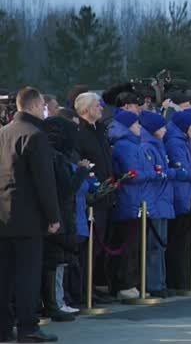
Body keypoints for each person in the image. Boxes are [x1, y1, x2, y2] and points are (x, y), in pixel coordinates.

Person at [0, 87, 61, 343]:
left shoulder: (2, 133)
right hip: (28, 218)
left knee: (3, 276)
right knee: (28, 275)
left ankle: (3, 328)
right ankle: (28, 327)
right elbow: (44, 182)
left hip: (3, 215)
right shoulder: (35, 135)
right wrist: (53, 216)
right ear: (36, 106)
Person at [108, 110, 161, 300]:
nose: (140, 127)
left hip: (140, 200)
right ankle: (126, 284)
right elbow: (132, 174)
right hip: (131, 201)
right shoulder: (125, 146)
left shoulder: (135, 145)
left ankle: (136, 282)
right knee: (129, 246)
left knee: (138, 246)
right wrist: (154, 175)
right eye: (137, 124)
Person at [42, 117, 91, 322]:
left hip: (58, 215)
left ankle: (57, 302)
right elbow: (67, 188)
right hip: (59, 216)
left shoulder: (52, 155)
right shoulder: (57, 158)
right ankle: (55, 303)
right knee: (55, 262)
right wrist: (82, 171)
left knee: (57, 262)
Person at [74, 92, 114, 302]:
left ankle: (91, 285)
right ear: (87, 109)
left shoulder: (99, 131)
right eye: (97, 106)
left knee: (98, 247)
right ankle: (82, 288)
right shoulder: (80, 132)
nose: (101, 109)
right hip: (91, 195)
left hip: (105, 192)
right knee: (88, 247)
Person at [139, 111, 177, 298]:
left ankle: (160, 281)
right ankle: (153, 283)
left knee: (161, 244)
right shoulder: (148, 147)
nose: (164, 130)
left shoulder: (158, 145)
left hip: (162, 199)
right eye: (161, 127)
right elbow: (154, 173)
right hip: (154, 200)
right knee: (154, 245)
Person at [165, 111, 191, 290]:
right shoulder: (175, 143)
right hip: (182, 195)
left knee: (189, 240)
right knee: (180, 240)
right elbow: (184, 170)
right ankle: (179, 279)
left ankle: (187, 277)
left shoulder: (187, 142)